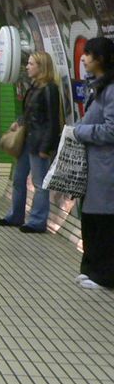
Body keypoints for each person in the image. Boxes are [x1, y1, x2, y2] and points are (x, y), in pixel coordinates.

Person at [0, 52, 62, 233]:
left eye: (31, 64)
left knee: (39, 182)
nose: (27, 66)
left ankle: (37, 221)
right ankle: (15, 215)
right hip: (27, 139)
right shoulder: (34, 86)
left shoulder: (49, 89)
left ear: (41, 67)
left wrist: (46, 147)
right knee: (18, 179)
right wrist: (20, 121)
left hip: (38, 142)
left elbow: (52, 120)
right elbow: (31, 112)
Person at [72, 37, 114, 289]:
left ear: (101, 58)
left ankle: (105, 274)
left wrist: (80, 132)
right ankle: (91, 268)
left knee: (104, 221)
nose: (83, 58)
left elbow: (111, 129)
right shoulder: (98, 86)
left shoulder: (111, 89)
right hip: (94, 165)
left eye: (88, 54)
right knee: (90, 216)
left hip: (106, 166)